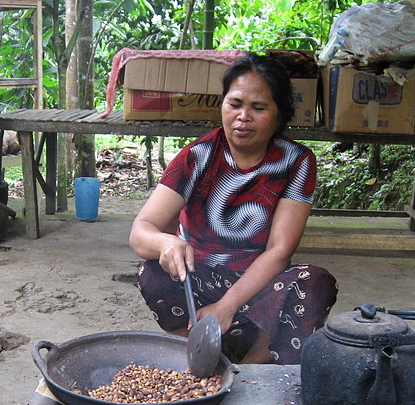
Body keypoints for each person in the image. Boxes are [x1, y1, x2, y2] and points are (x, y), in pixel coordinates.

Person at [129, 52, 338, 365]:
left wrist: (226, 306)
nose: (243, 116)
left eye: (258, 107)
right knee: (153, 271)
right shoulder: (197, 156)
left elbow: (279, 252)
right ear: (222, 106)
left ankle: (253, 369)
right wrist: (166, 242)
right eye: (235, 104)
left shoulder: (296, 162)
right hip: (199, 283)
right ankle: (196, 353)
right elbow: (140, 231)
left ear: (280, 115)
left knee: (314, 282)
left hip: (257, 286)